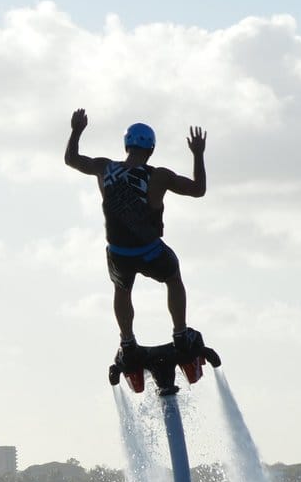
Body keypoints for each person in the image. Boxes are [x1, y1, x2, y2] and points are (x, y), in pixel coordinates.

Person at [63, 110, 206, 354]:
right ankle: (180, 333)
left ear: (126, 145)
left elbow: (72, 159)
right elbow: (198, 189)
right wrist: (198, 155)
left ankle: (127, 341)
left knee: (122, 288)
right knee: (173, 278)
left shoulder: (104, 168)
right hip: (150, 251)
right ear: (151, 150)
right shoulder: (159, 176)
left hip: (119, 253)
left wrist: (76, 130)